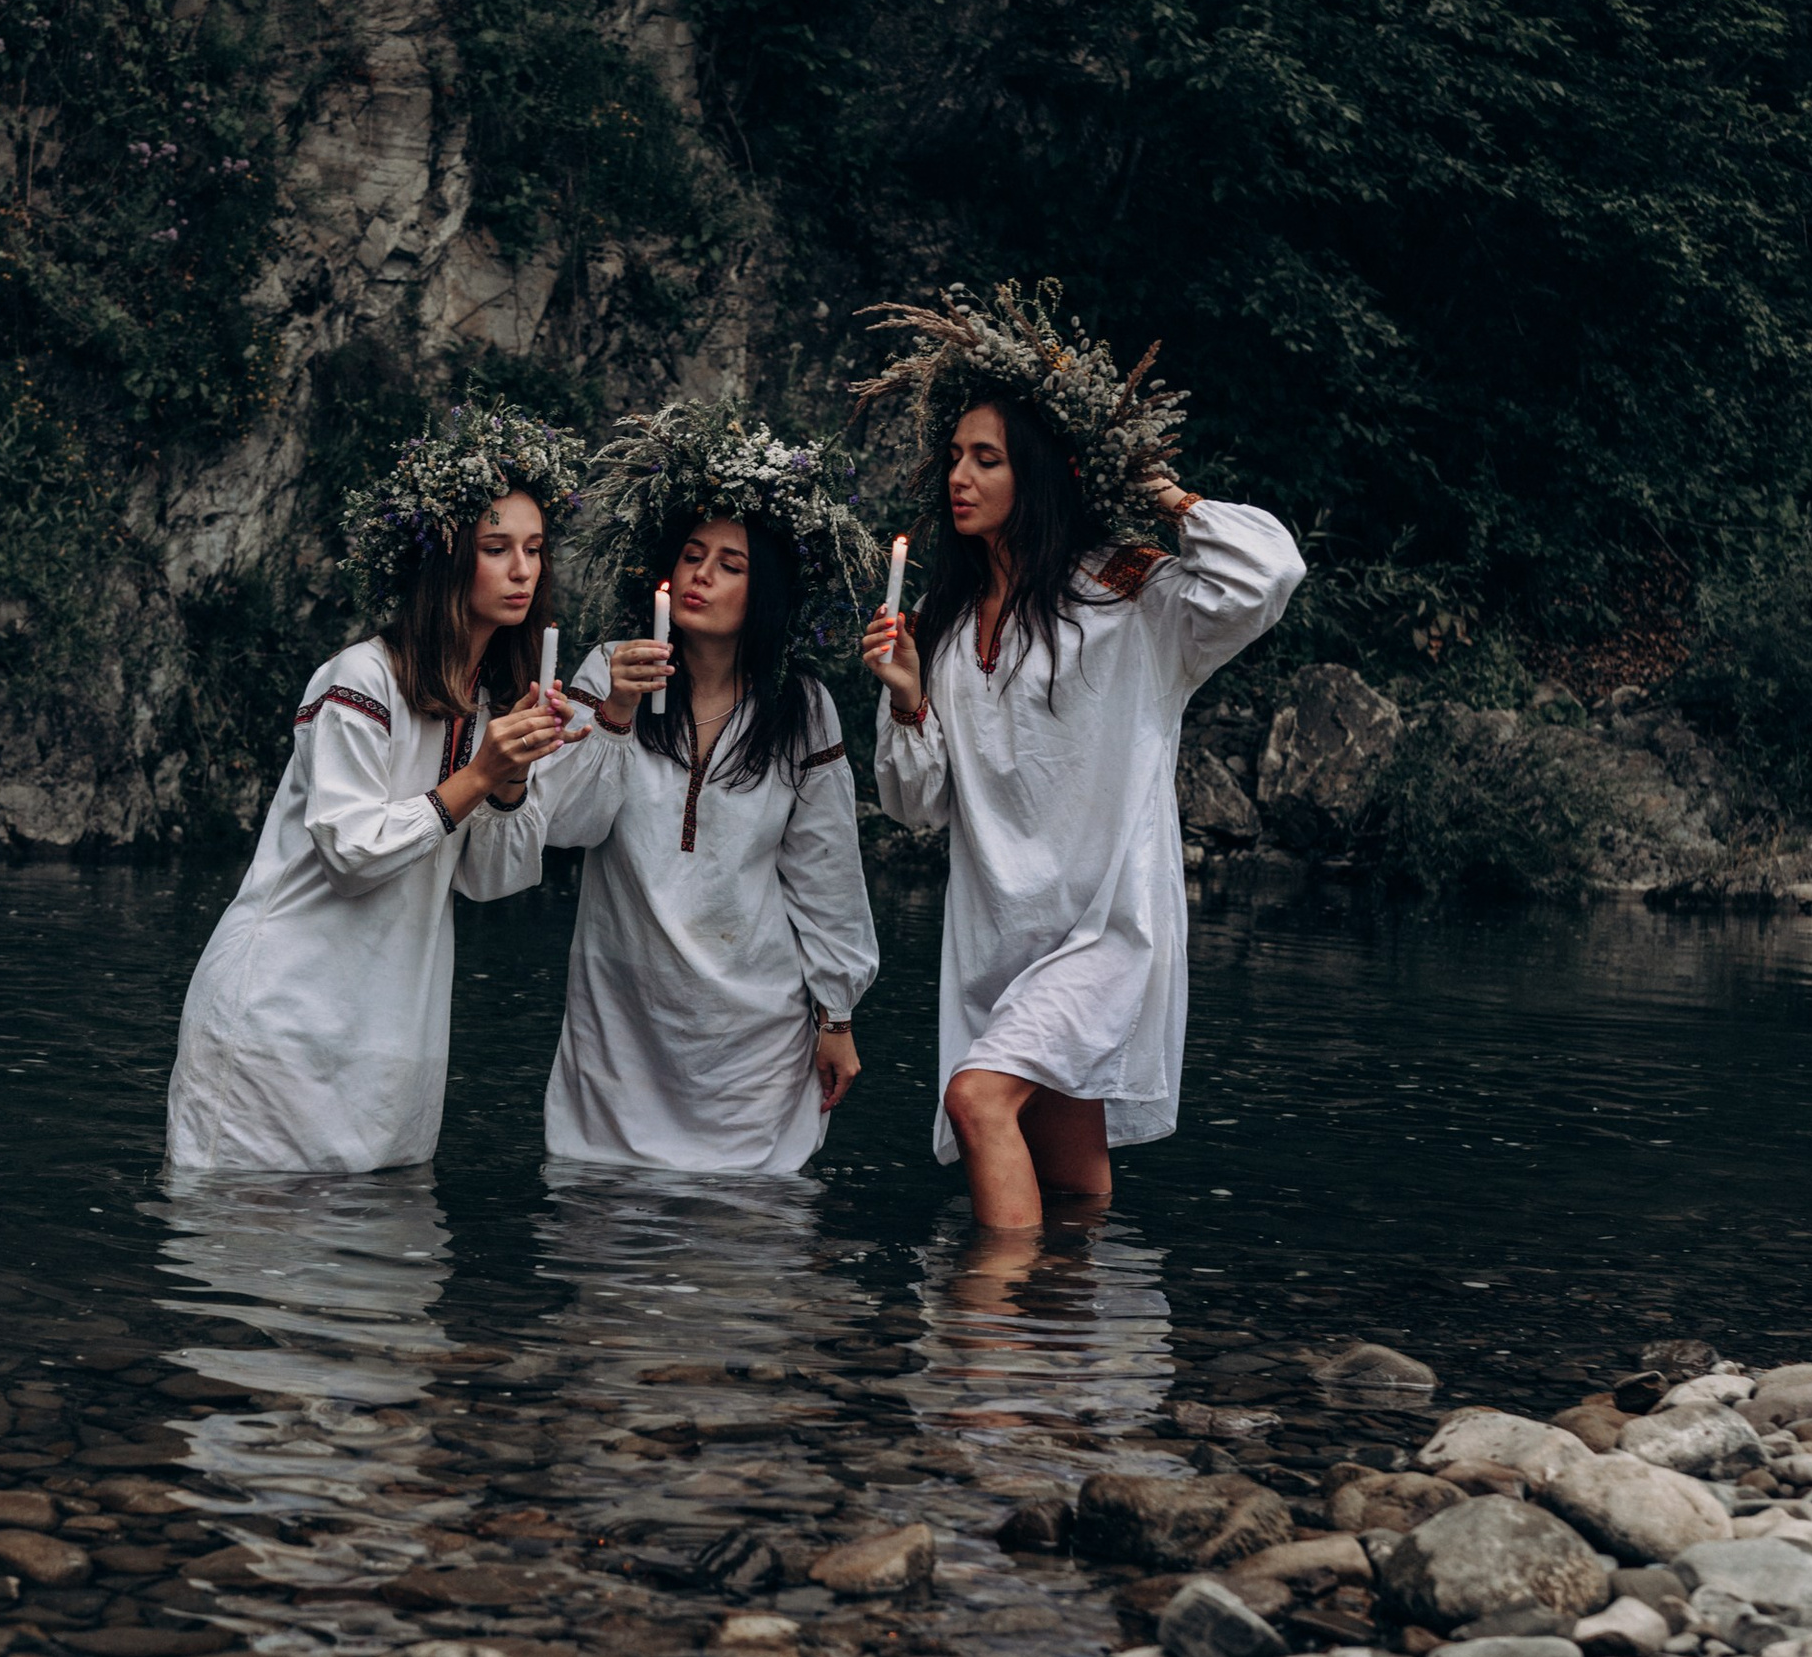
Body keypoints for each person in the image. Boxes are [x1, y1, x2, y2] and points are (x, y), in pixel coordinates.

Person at [857, 283, 1301, 1225]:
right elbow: (915, 806)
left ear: (1042, 471)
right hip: (997, 942)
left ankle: (993, 1339)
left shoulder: (1129, 596)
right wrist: (903, 701)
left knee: (978, 1101)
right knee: (1076, 1190)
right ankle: (1088, 1356)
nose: (959, 477)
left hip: (1104, 929)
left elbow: (1269, 575)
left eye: (988, 458)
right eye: (954, 457)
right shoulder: (937, 628)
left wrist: (1163, 490)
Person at [165, 405, 584, 1175]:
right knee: (250, 1277)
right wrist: (480, 775)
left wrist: (513, 781)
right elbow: (350, 853)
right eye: (496, 549)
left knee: (384, 1278)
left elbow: (492, 880)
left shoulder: (495, 707)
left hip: (391, 1038)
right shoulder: (361, 679)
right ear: (445, 562)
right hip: (283, 1024)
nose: (523, 570)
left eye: (534, 549)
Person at [533, 403, 880, 1174]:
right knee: (609, 1266)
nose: (702, 575)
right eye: (692, 556)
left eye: (731, 564)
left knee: (744, 1267)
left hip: (751, 1043)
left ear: (766, 592)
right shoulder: (608, 669)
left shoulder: (801, 707)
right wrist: (618, 712)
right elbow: (567, 826)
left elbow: (825, 874)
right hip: (622, 1029)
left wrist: (838, 1015)